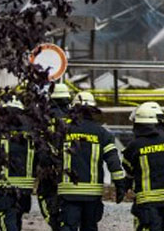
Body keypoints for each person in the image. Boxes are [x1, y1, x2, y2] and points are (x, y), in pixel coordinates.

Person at [57, 91, 127, 231]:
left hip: (68, 192)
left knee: (68, 227)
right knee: (90, 227)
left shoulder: (62, 130)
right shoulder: (102, 133)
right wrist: (120, 185)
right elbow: (113, 162)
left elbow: (49, 157)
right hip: (92, 194)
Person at [120, 102, 164, 231]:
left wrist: (124, 186)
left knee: (146, 224)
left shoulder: (134, 145)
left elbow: (128, 167)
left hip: (146, 197)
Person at [0, 96, 36, 231]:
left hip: (4, 187)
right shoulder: (31, 131)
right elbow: (41, 156)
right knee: (16, 220)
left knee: (7, 221)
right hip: (25, 188)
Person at [38, 82, 72, 230]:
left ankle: (55, 224)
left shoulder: (43, 119)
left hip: (49, 166)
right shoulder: (75, 119)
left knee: (45, 195)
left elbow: (38, 143)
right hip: (70, 167)